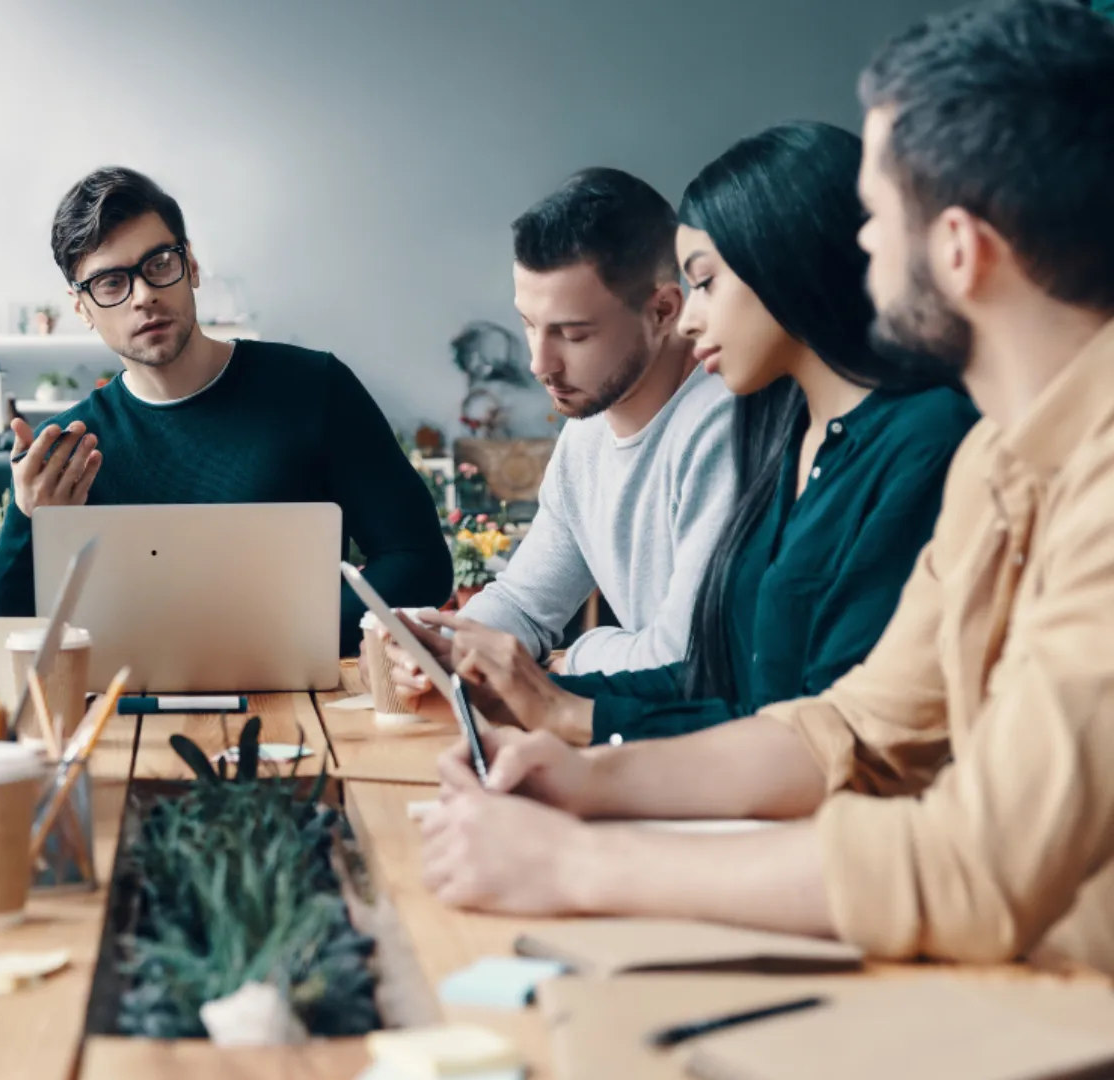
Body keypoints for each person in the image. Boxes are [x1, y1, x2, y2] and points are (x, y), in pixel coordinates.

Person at [414, 0, 1114, 975]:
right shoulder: (1003, 458)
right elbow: (851, 726)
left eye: (876, 219)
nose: (858, 248)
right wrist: (593, 786)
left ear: (960, 249)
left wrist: (584, 862)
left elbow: (975, 867)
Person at [395, 123, 977, 746]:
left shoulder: (776, 426)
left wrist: (567, 679)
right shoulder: (797, 436)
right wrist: (469, 657)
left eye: (705, 284)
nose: (539, 364)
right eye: (528, 326)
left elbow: (782, 712)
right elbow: (749, 694)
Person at [0, 167, 451, 653]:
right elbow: (6, 620)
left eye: (159, 263)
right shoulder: (72, 446)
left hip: (305, 702)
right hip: (130, 712)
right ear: (81, 307)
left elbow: (420, 563)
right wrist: (28, 515)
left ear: (193, 266)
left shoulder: (314, 387)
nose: (144, 296)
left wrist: (284, 637)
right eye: (110, 282)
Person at [452, 169, 738, 676]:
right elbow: (523, 603)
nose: (540, 364)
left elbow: (687, 658)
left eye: (574, 335)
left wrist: (573, 659)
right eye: (529, 324)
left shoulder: (722, 428)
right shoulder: (585, 434)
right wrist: (444, 644)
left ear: (664, 311)